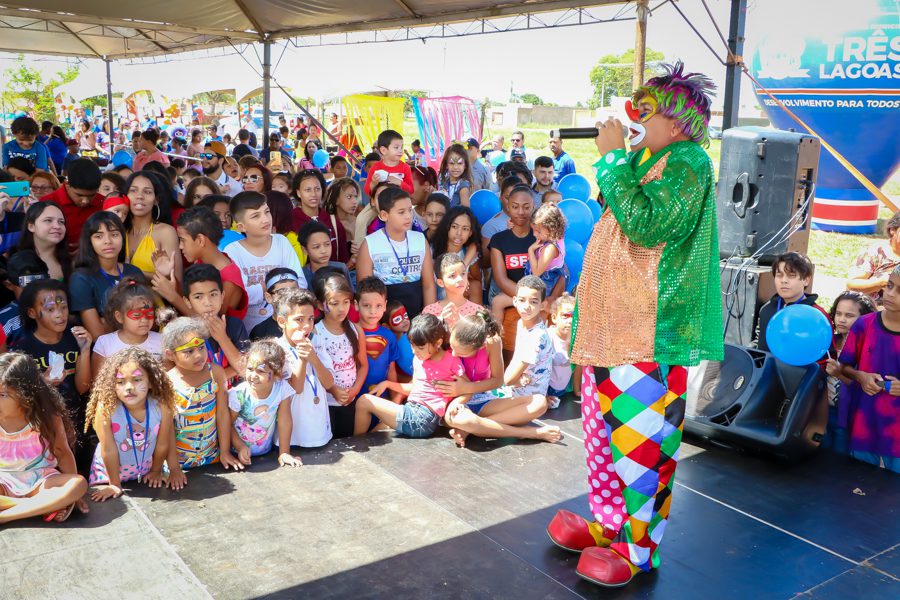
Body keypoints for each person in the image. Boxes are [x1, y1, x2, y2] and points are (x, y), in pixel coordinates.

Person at [549, 62, 724, 587]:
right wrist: (618, 161)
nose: (634, 115)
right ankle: (609, 528)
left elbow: (647, 225)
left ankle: (640, 549)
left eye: (648, 109)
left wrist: (608, 160)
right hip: (609, 326)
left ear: (678, 121)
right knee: (604, 440)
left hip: (647, 329)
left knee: (642, 444)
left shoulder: (689, 161)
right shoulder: (642, 158)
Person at [442, 309, 562, 447]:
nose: (453, 354)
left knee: (540, 402)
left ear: (481, 345)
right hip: (455, 405)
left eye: (461, 353)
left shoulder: (493, 341)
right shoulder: (449, 335)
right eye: (452, 347)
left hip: (483, 400)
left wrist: (466, 388)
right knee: (464, 421)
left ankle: (475, 429)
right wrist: (459, 399)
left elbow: (498, 381)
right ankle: (528, 433)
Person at [12, 280, 93, 469]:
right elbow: (17, 397)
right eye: (50, 310)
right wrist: (43, 382)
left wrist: (86, 350)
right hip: (41, 427)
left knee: (80, 472)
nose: (59, 315)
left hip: (76, 422)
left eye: (63, 308)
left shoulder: (75, 339)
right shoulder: (23, 348)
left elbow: (83, 387)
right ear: (32, 312)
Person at [0, 352, 88, 525]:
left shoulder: (47, 417)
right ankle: (39, 506)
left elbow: (62, 452)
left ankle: (5, 515)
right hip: (3, 481)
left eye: (3, 395)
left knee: (79, 484)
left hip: (41, 480)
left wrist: (74, 496)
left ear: (25, 395)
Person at [85, 347, 179, 500]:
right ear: (112, 385)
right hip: (107, 476)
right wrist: (114, 484)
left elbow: (163, 443)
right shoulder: (106, 408)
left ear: (150, 381)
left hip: (146, 472)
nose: (129, 387)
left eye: (137, 380)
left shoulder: (162, 405)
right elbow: (108, 449)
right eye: (120, 382)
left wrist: (155, 471)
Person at [354, 313, 468, 438]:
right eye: (412, 345)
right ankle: (359, 444)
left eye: (420, 347)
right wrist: (387, 384)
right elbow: (415, 387)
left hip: (423, 417)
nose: (414, 351)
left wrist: (455, 404)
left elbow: (468, 389)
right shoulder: (419, 359)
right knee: (375, 432)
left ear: (438, 343)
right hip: (413, 412)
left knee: (364, 401)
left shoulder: (451, 360)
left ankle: (356, 445)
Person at [836, 266, 900, 473]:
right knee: (857, 486)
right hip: (864, 426)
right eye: (889, 286)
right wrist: (860, 376)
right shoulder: (864, 325)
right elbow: (843, 366)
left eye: (899, 290)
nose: (890, 294)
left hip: (896, 435)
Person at [163, 317, 242, 475]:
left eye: (201, 348)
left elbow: (222, 414)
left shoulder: (216, 372)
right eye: (189, 351)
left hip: (212, 458)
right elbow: (167, 428)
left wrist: (225, 452)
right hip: (179, 464)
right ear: (170, 355)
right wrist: (174, 468)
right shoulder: (167, 382)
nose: (198, 355)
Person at [223, 191, 305, 332]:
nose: (265, 219)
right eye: (256, 216)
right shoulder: (233, 251)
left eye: (267, 212)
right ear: (241, 227)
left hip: (284, 325)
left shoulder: (281, 242)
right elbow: (241, 296)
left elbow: (301, 282)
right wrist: (271, 289)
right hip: (249, 330)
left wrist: (261, 289)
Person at [356, 186, 436, 318]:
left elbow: (428, 285)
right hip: (384, 319)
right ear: (384, 215)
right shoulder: (370, 244)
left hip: (417, 317)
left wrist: (428, 318)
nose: (408, 216)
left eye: (410, 210)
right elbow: (365, 291)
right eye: (401, 212)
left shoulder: (420, 239)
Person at [272, 288, 333, 447]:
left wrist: (314, 358)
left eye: (311, 319)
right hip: (292, 434)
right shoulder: (276, 349)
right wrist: (304, 357)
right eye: (299, 319)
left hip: (317, 429)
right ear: (282, 321)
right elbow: (296, 388)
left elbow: (329, 383)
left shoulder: (317, 343)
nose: (306, 326)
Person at [68, 212, 145, 340]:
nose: (108, 241)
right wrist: (133, 319)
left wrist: (106, 320)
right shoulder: (81, 278)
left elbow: (148, 320)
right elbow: (97, 333)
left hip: (139, 343)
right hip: (106, 351)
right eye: (99, 236)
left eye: (114, 235)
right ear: (89, 241)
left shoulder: (134, 272)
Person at [227, 340, 303, 467]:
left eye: (261, 371)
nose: (253, 376)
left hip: (266, 454)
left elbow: (285, 421)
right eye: (250, 369)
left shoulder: (281, 389)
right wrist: (240, 447)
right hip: (236, 455)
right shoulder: (238, 394)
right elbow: (226, 424)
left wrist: (284, 453)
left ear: (277, 374)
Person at [312, 273, 367, 438]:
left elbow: (363, 365)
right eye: (334, 303)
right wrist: (334, 390)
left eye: (346, 302)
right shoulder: (315, 332)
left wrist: (355, 390)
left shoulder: (356, 330)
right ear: (321, 305)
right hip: (325, 403)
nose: (342, 308)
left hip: (350, 401)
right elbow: (315, 369)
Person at [491, 202, 565, 322]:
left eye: (538, 231)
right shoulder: (553, 238)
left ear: (552, 229)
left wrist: (530, 250)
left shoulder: (551, 248)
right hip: (537, 290)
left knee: (499, 302)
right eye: (533, 230)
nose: (535, 234)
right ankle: (495, 335)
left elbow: (536, 272)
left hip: (542, 292)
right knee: (497, 301)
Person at [823, 291, 876, 453]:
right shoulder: (829, 341)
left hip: (847, 417)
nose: (842, 319)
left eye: (849, 315)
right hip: (822, 411)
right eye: (838, 313)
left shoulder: (868, 349)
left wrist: (839, 374)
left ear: (865, 318)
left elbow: (864, 386)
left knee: (840, 460)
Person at [755, 252, 834, 360]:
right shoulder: (767, 308)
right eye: (779, 275)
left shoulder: (817, 316)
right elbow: (758, 342)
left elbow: (825, 357)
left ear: (806, 280)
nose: (784, 280)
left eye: (791, 276)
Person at [181, 264, 248, 381]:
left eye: (213, 294)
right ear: (187, 301)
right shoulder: (184, 333)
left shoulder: (234, 325)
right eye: (198, 297)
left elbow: (245, 369)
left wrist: (222, 337)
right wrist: (229, 372)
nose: (208, 302)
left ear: (222, 296)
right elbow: (191, 379)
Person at [91, 277, 162, 376]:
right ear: (119, 317)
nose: (144, 319)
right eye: (136, 315)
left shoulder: (161, 341)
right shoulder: (105, 343)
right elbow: (97, 382)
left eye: (149, 314)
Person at [123, 171, 180, 280]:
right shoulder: (119, 229)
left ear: (156, 200)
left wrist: (132, 272)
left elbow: (177, 284)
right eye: (133, 190)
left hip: (152, 297)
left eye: (147, 192)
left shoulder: (166, 232)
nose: (139, 196)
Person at [40, 157, 103, 252]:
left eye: (91, 195)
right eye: (79, 195)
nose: (85, 201)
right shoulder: (47, 204)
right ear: (67, 185)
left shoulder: (103, 203)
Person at [488, 185, 536, 308]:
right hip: (510, 297)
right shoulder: (498, 240)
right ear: (508, 207)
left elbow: (560, 272)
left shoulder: (541, 238)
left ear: (533, 207)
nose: (520, 212)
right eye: (515, 207)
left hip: (538, 298)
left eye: (526, 207)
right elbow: (501, 280)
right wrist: (529, 299)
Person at [356, 277, 401, 401]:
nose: (373, 311)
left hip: (382, 397)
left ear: (385, 306)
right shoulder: (350, 333)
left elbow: (391, 370)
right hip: (354, 398)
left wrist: (393, 401)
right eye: (366, 306)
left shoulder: (389, 335)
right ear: (356, 305)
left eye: (378, 305)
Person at [291, 169, 349, 264]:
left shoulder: (333, 221)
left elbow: (343, 258)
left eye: (317, 189)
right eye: (307, 190)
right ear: (298, 193)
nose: (313, 194)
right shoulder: (290, 221)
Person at [431, 206, 483, 303]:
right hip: (438, 301)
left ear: (470, 232)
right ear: (447, 227)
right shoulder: (431, 250)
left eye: (465, 229)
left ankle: (476, 317)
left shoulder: (469, 252)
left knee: (475, 285)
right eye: (454, 227)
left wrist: (464, 272)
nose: (459, 233)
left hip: (462, 302)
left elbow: (477, 280)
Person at [846, 211, 900, 302]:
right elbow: (852, 284)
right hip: (873, 310)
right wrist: (882, 282)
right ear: (892, 230)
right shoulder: (876, 252)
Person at [0, 250, 50, 347]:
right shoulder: (3, 320)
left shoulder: (57, 308)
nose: (34, 290)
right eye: (27, 285)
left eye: (40, 283)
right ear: (9, 285)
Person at [422, 254, 482, 329]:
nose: (460, 279)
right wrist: (440, 321)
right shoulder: (430, 311)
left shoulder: (477, 311)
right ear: (441, 283)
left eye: (463, 273)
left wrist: (459, 323)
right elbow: (426, 338)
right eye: (452, 276)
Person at [19, 201, 71, 282]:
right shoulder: (17, 261)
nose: (57, 226)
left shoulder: (72, 262)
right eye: (48, 220)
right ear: (31, 226)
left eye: (61, 222)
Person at [249, 268, 301, 340]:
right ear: (268, 297)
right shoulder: (261, 332)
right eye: (282, 292)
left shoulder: (309, 323)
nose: (290, 296)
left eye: (294, 290)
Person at [299, 221, 352, 290]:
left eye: (327, 244)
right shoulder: (302, 275)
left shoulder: (341, 268)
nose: (323, 251)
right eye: (316, 247)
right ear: (304, 250)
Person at [363, 130, 415, 196]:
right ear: (384, 150)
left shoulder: (405, 167)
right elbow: (367, 191)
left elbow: (411, 190)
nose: (401, 151)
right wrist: (373, 183)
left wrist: (400, 183)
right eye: (396, 147)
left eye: (401, 147)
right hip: (381, 204)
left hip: (399, 202)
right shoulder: (376, 167)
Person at [547, 294, 576, 408]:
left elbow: (578, 367)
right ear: (554, 318)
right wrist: (543, 394)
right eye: (565, 315)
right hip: (547, 390)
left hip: (563, 391)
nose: (570, 320)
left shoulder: (575, 340)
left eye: (574, 316)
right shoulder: (549, 337)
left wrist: (577, 390)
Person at [324, 177, 360, 265]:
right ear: (336, 200)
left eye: (355, 197)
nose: (354, 201)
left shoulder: (360, 221)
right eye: (349, 197)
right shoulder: (329, 224)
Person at [437, 143, 472, 208]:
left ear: (465, 165)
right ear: (446, 165)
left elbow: (466, 211)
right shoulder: (446, 182)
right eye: (452, 163)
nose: (455, 167)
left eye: (459, 163)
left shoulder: (463, 186)